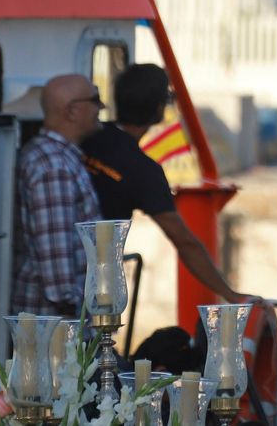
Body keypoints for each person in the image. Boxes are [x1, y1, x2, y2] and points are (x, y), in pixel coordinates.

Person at [82, 63, 248, 304]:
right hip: (93, 280)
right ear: (159, 108)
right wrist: (230, 294)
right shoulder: (144, 171)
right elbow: (184, 241)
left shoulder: (87, 136)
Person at [12, 74, 104, 316]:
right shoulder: (55, 166)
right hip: (55, 324)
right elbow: (58, 277)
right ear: (72, 111)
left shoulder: (53, 157)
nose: (101, 107)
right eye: (95, 100)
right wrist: (79, 317)